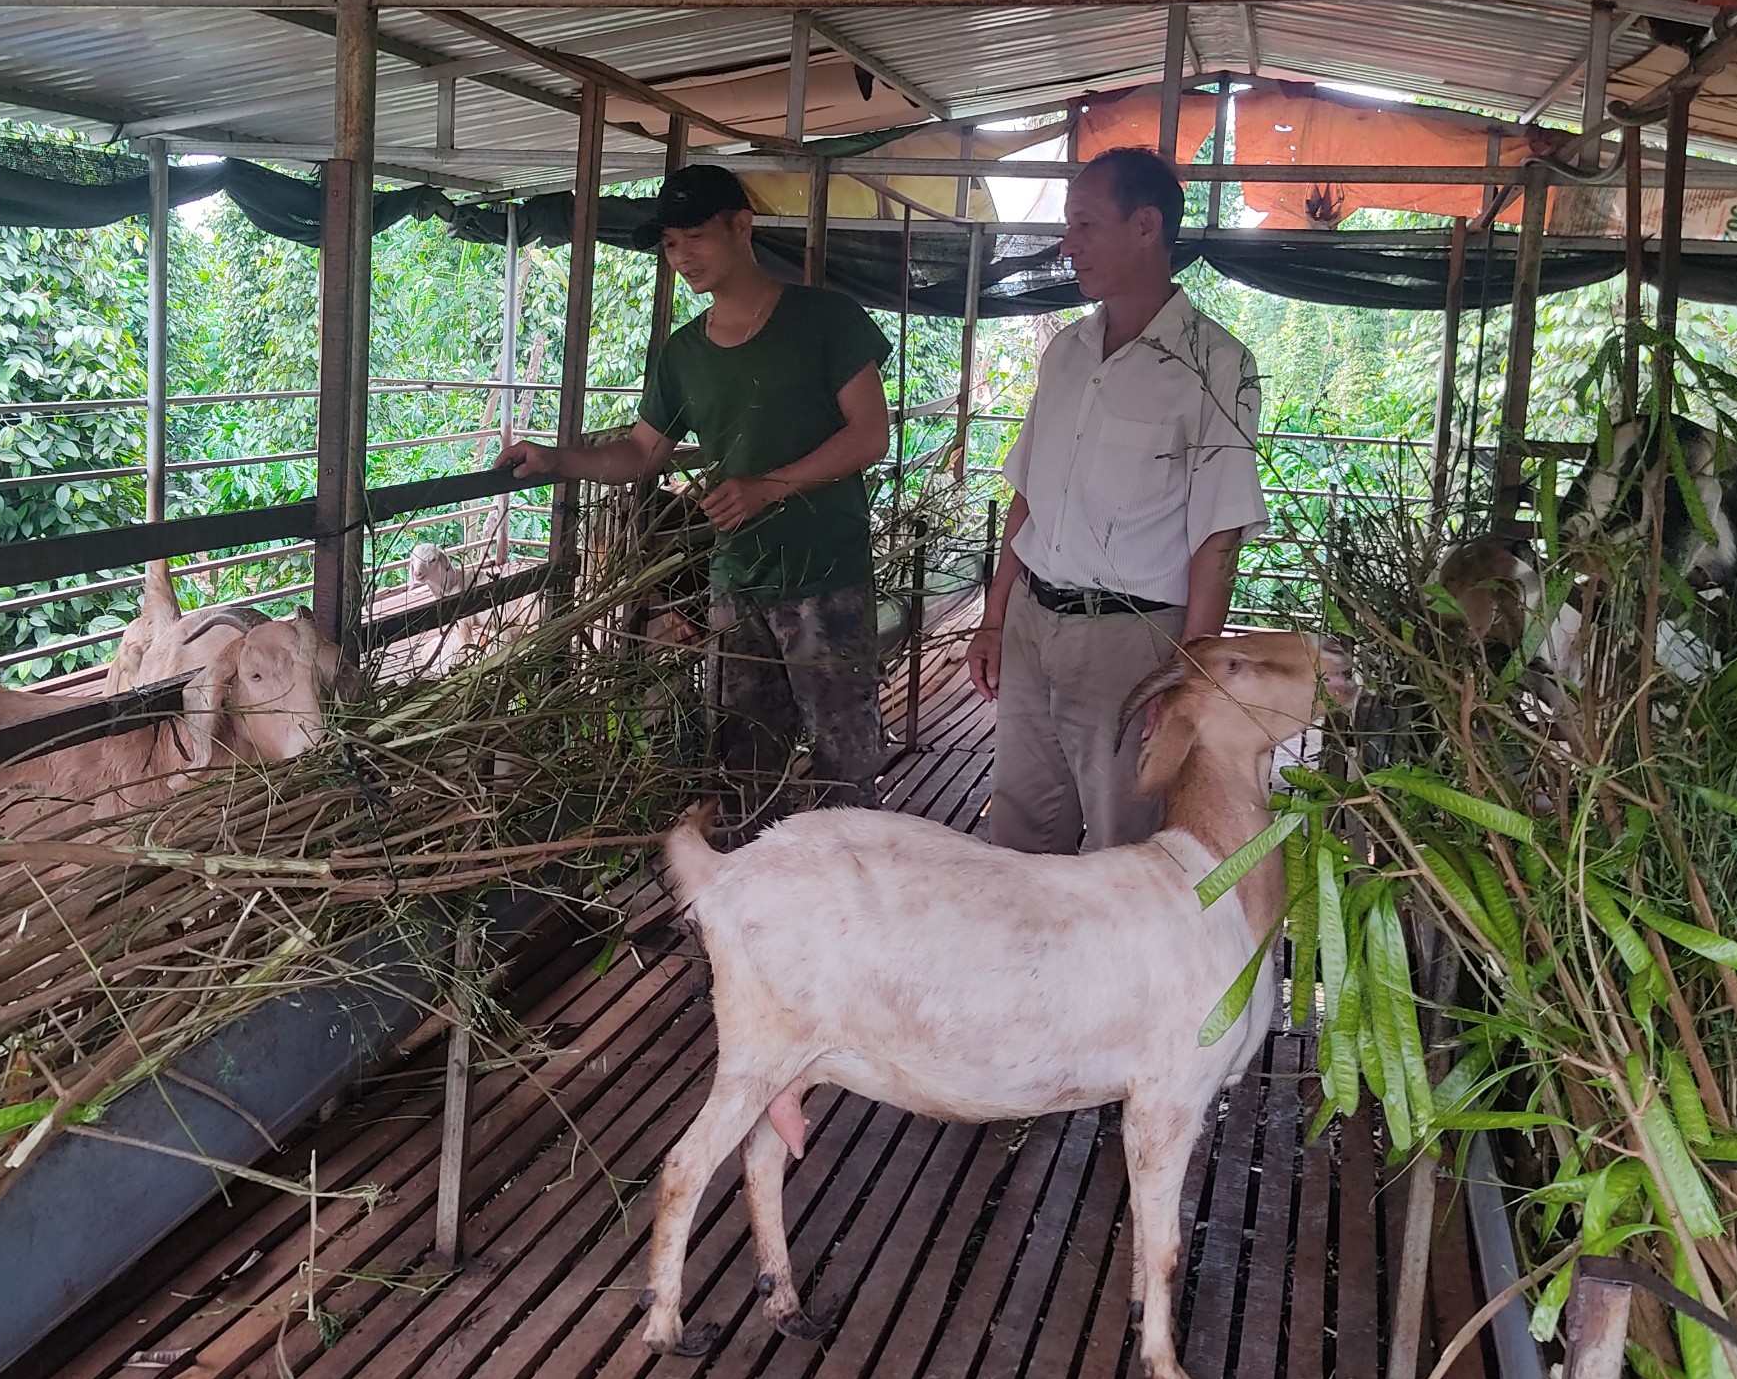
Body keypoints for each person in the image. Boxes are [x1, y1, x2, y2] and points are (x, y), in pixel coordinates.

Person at [499, 164, 893, 808]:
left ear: (743, 225)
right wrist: (556, 460)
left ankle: (849, 897)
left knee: (842, 758)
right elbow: (639, 452)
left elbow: (869, 435)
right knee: (739, 758)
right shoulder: (683, 353)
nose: (682, 256)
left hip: (824, 574)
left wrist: (769, 486)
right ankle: (742, 897)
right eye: (670, 243)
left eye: (695, 237)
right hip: (736, 579)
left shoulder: (827, 319)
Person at [966, 147, 1266, 854]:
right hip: (1034, 627)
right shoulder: (1067, 351)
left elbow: (1219, 537)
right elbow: (1027, 496)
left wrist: (1188, 672)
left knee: (1124, 844)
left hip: (1132, 644)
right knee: (1018, 832)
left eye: (1084, 224)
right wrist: (995, 617)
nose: (1068, 244)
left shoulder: (1216, 365)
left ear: (1146, 226)